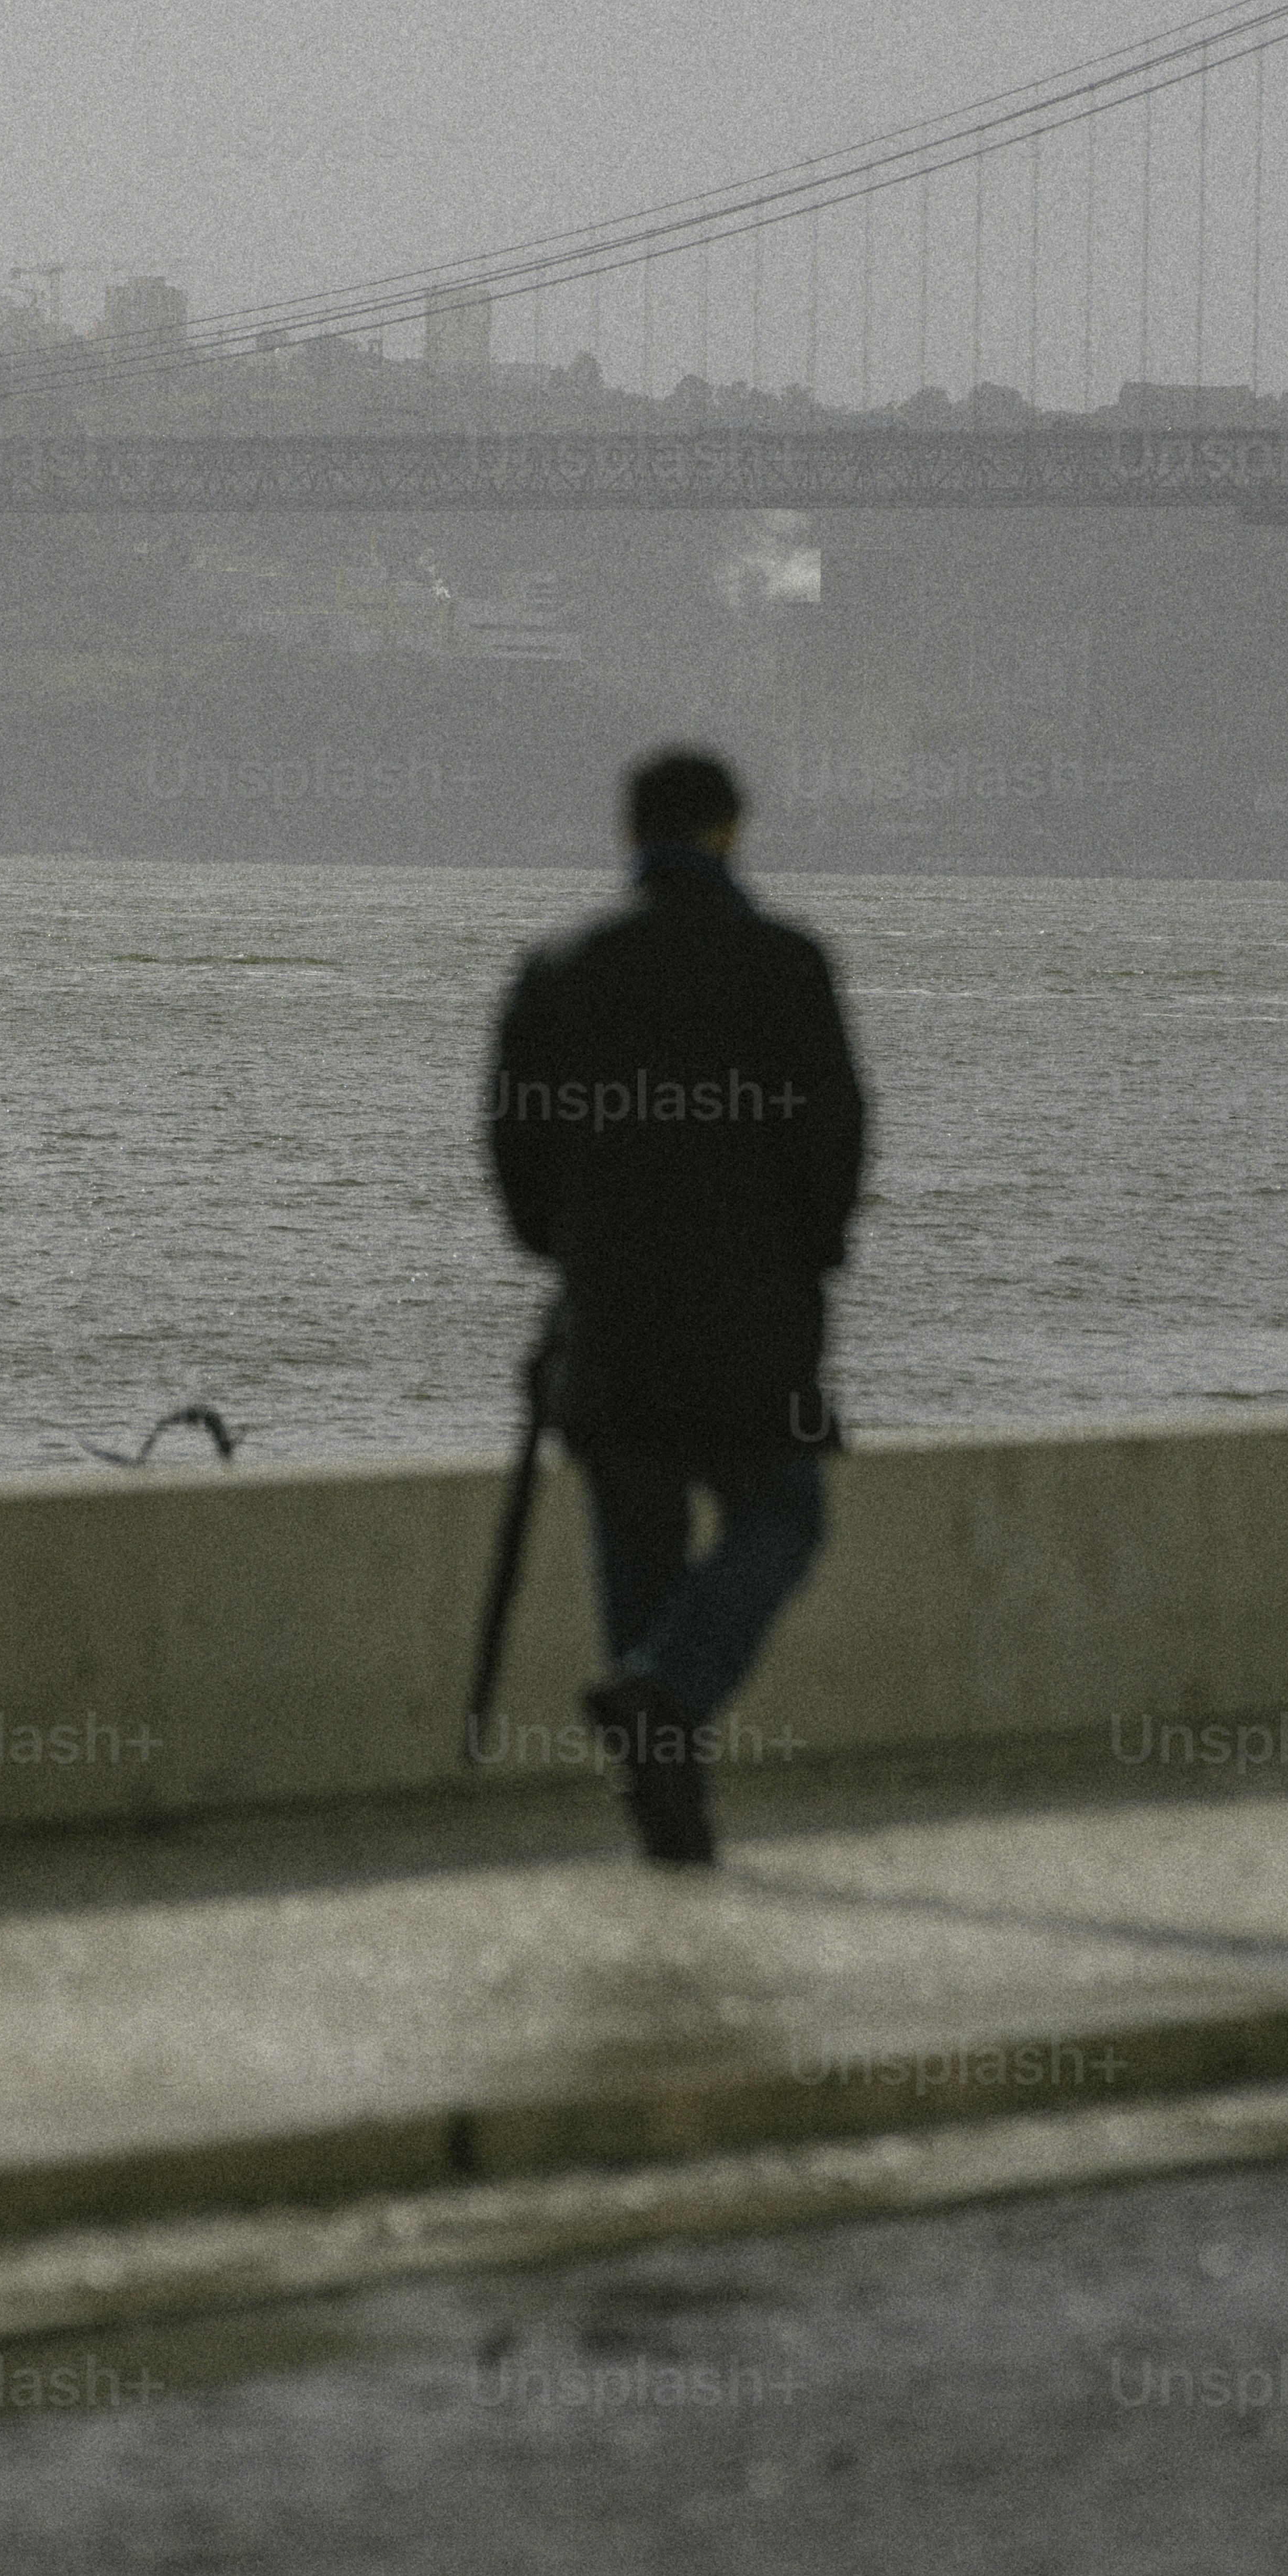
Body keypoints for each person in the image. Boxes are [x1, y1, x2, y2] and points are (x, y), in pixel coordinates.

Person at [483, 746, 869, 1865]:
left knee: (637, 1556)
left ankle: (666, 1809)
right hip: (755, 1321)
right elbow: (833, 1137)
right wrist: (810, 1253)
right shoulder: (784, 963)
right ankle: (664, 1694)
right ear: (728, 830)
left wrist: (565, 1249)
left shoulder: (562, 967)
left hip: (610, 1319)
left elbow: (515, 1144)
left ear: (629, 832)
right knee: (781, 1516)